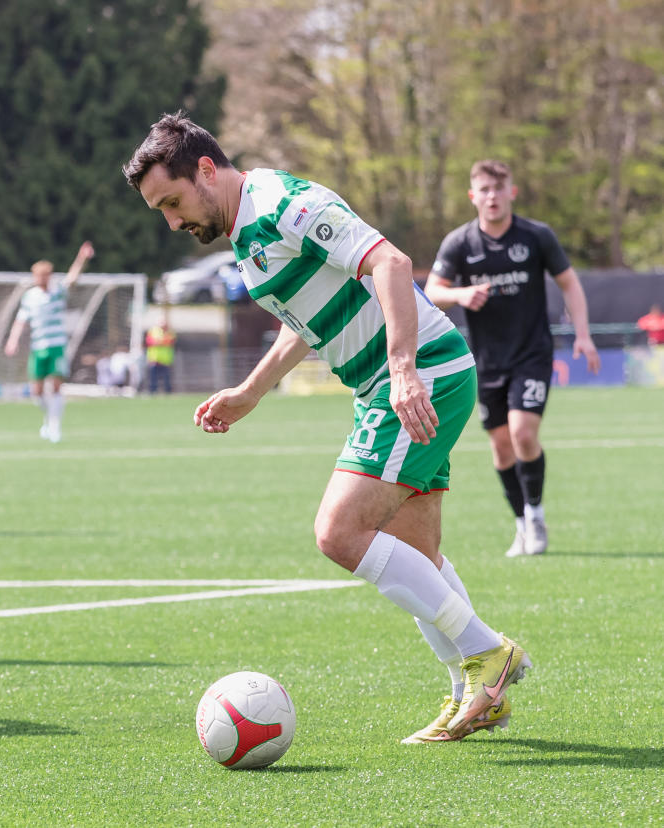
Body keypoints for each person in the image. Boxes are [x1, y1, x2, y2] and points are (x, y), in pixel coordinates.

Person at [124, 112, 530, 744]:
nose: (173, 221)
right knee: (417, 556)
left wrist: (402, 370)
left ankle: (489, 655)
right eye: (161, 211)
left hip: (420, 377)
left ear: (206, 169)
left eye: (172, 202)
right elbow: (304, 317)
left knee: (339, 532)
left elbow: (389, 263)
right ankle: (471, 692)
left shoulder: (284, 202)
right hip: (392, 386)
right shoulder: (241, 232)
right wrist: (251, 391)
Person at [425, 159, 599, 558]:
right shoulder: (460, 243)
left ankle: (536, 516)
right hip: (486, 361)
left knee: (523, 433)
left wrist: (584, 335)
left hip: (532, 354)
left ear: (511, 193)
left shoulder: (536, 236)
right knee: (502, 447)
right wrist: (460, 296)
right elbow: (433, 290)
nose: (492, 197)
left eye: (498, 189)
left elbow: (569, 283)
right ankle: (521, 523)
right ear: (473, 196)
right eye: (484, 190)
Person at [3, 241, 95, 442]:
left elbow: (72, 277)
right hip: (38, 348)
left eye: (44, 275)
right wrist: (13, 340)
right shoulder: (30, 297)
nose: (41, 279)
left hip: (56, 346)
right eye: (38, 276)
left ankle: (55, 427)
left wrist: (82, 257)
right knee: (36, 393)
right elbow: (20, 321)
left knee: (55, 387)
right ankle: (48, 419)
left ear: (49, 276)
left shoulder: (57, 292)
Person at [144, 308, 177, 393]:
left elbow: (170, 342)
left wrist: (158, 342)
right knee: (153, 380)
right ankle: (152, 392)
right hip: (154, 359)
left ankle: (168, 392)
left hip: (166, 360)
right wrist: (161, 341)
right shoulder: (153, 331)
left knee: (167, 380)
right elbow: (149, 342)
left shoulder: (170, 331)